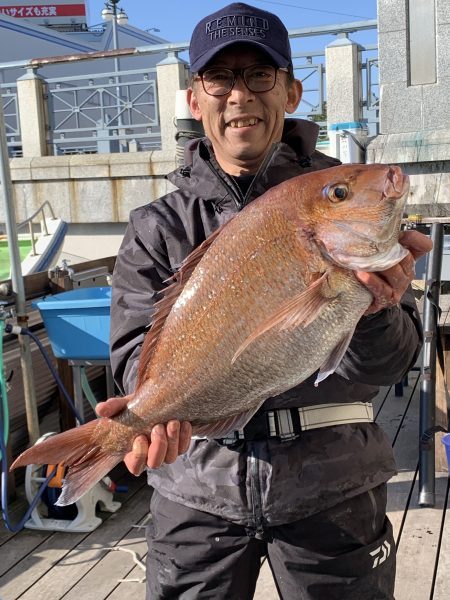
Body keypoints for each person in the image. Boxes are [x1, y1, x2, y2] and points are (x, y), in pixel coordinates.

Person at [96, 3, 432, 598]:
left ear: (292, 92)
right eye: (218, 78)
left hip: (333, 485)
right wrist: (148, 417)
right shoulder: (156, 226)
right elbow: (130, 357)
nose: (238, 94)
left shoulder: (344, 200)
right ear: (195, 100)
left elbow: (390, 365)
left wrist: (378, 311)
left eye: (259, 75)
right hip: (195, 492)